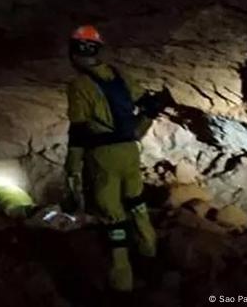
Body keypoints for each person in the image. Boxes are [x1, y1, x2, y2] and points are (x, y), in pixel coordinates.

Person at [65, 25, 171, 292]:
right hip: (129, 151)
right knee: (136, 202)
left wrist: (72, 170)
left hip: (103, 155)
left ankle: (122, 279)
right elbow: (147, 103)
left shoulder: (79, 85)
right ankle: (150, 253)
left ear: (74, 53)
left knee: (113, 216)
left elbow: (78, 131)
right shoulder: (119, 76)